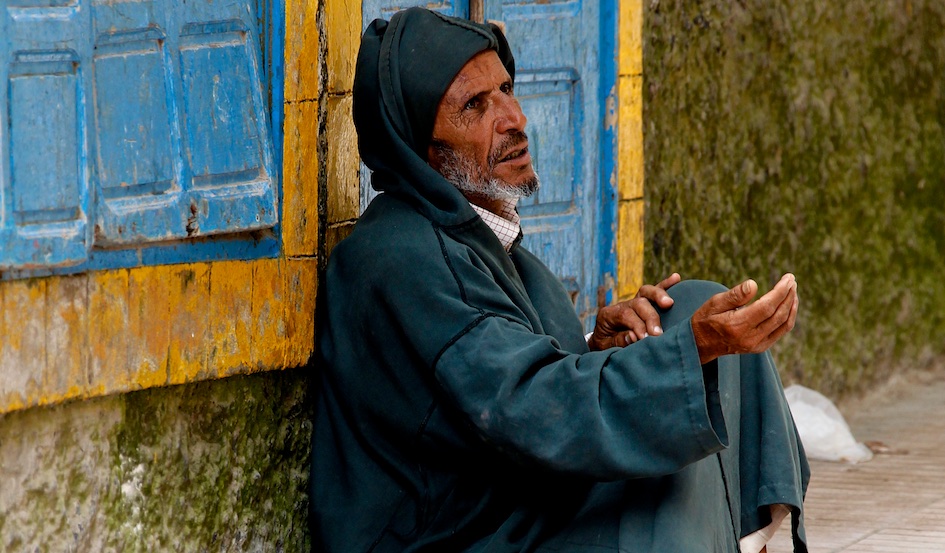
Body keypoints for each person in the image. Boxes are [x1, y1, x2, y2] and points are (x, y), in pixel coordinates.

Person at [310, 7, 809, 552]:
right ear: (417, 148)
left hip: (525, 506)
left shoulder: (478, 239)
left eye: (505, 89)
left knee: (690, 308)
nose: (514, 118)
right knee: (676, 418)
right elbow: (525, 407)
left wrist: (602, 348)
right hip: (464, 538)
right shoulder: (397, 259)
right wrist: (689, 354)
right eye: (474, 106)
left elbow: (523, 378)